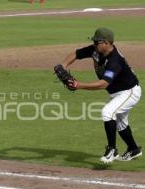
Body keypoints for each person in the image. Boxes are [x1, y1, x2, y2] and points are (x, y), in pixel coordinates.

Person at [57, 27, 142, 163]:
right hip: (117, 93)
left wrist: (79, 85)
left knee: (107, 112)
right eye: (94, 42)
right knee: (120, 123)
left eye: (97, 42)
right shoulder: (96, 50)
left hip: (129, 92)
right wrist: (64, 65)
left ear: (107, 43)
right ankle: (133, 149)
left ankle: (112, 150)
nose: (94, 44)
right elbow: (77, 53)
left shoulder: (115, 60)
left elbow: (103, 84)